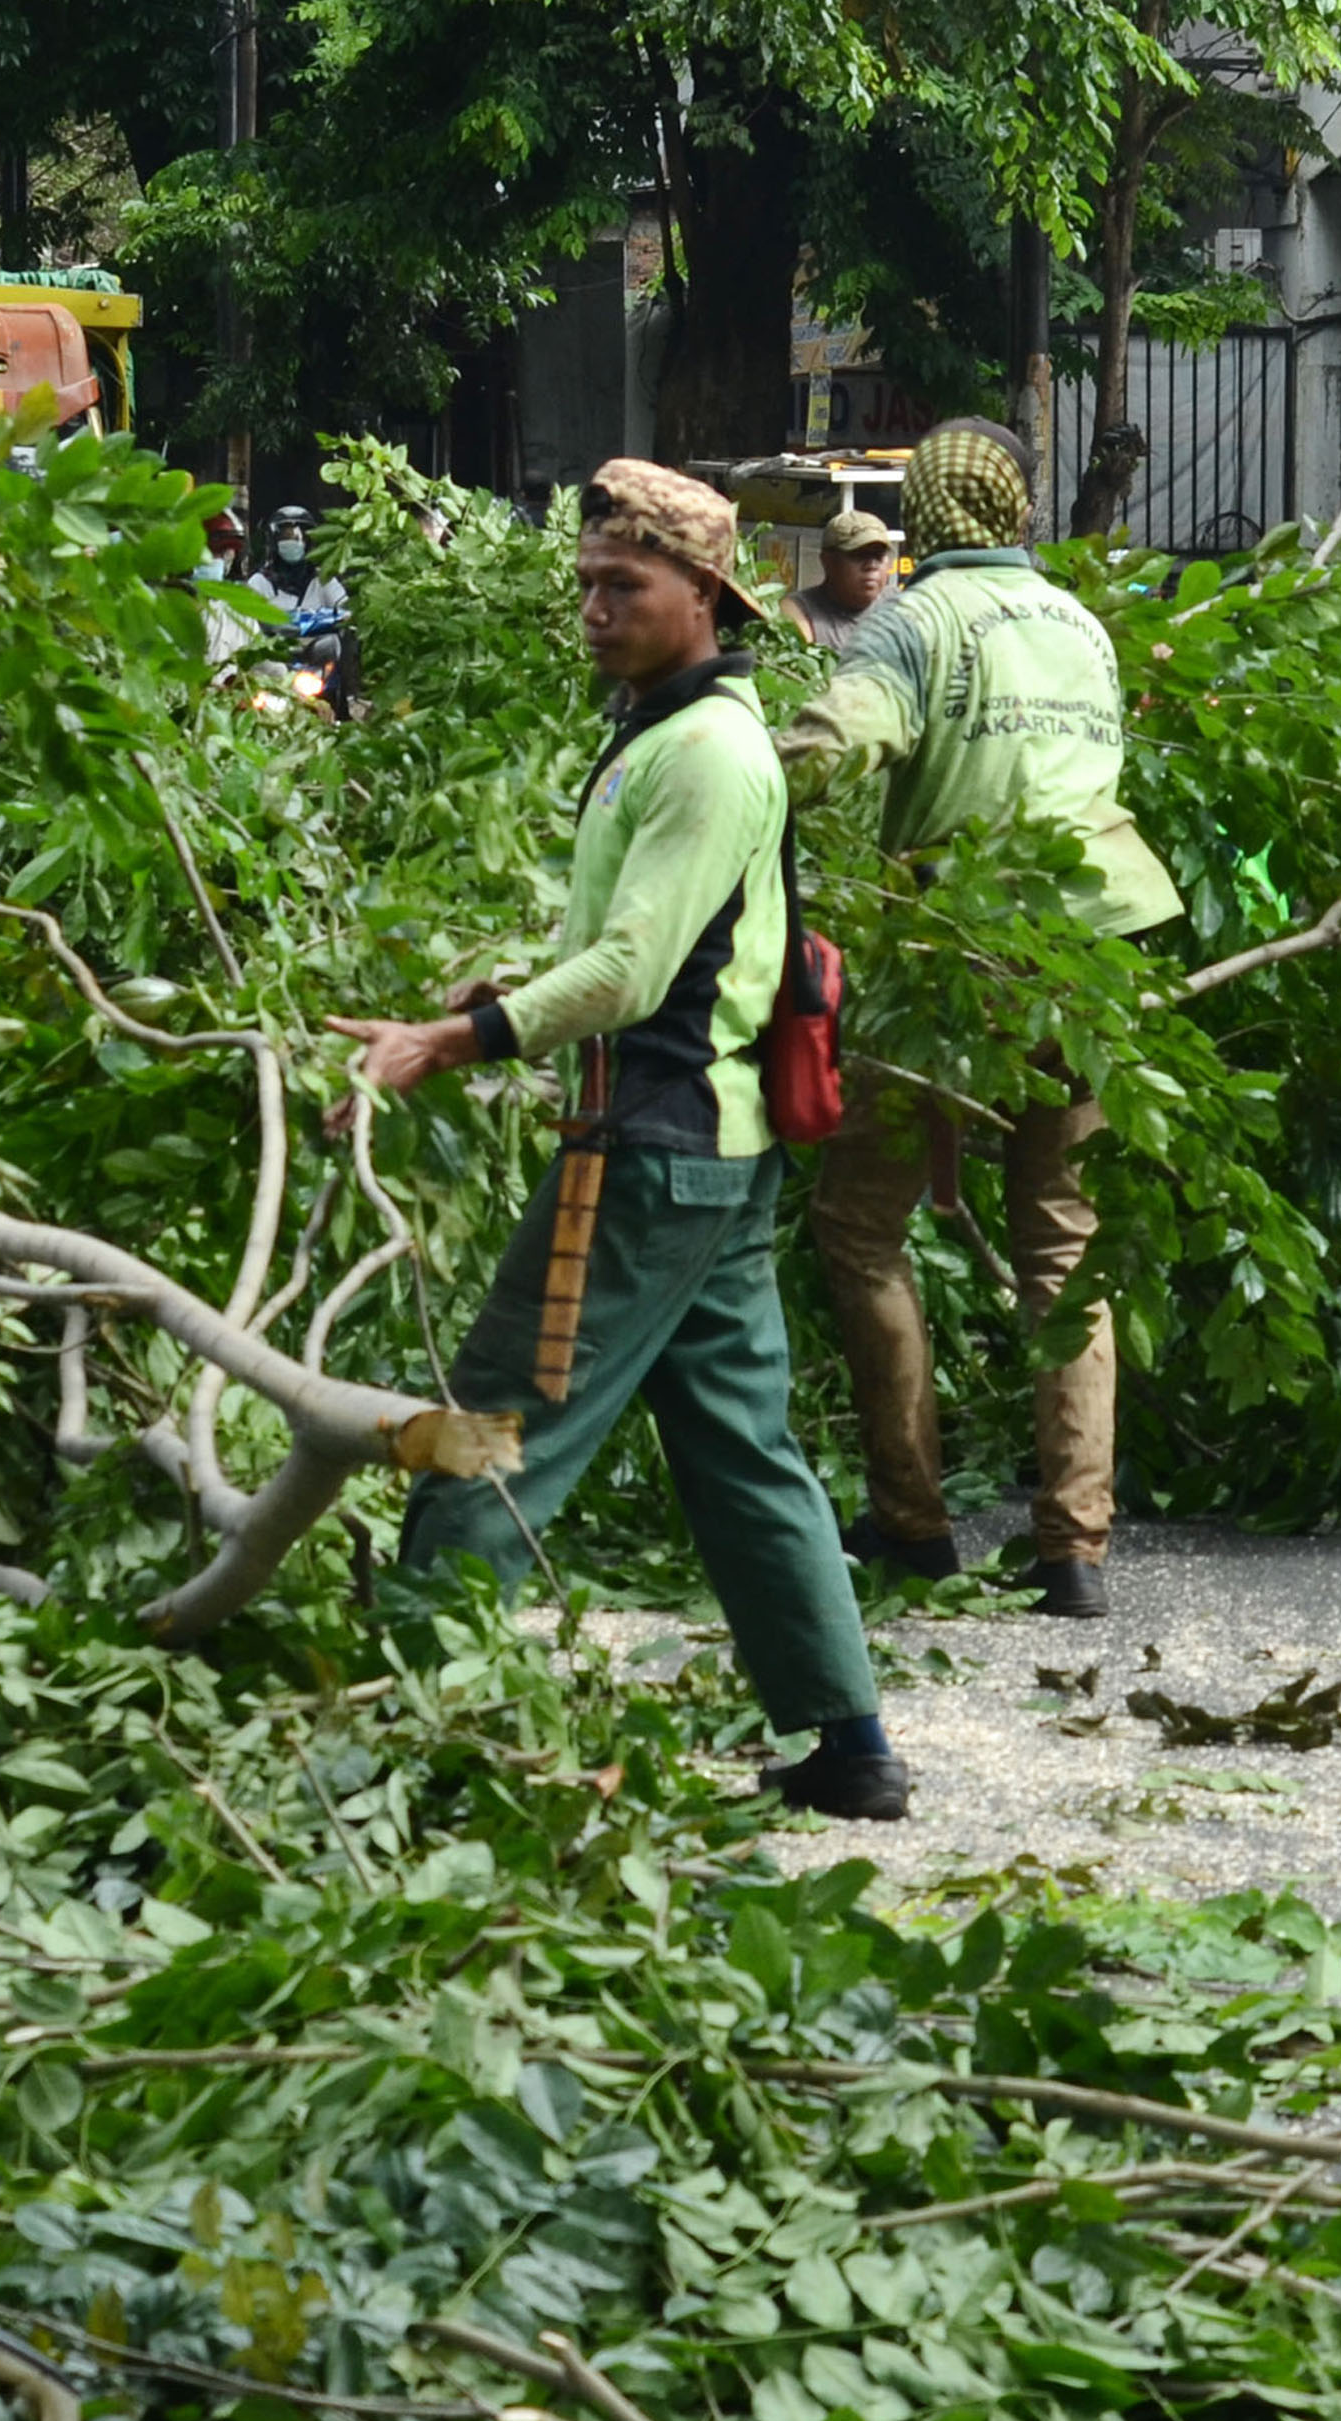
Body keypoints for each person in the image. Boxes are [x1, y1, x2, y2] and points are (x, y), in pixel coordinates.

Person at [325, 458, 914, 1823]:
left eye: (623, 585)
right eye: (585, 582)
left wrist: (453, 1044)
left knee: (494, 1418)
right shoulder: (666, 728)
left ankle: (407, 1730)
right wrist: (465, 1012)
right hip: (709, 1149)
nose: (593, 607)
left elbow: (638, 969)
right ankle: (850, 1740)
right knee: (741, 1444)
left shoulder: (706, 752)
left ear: (704, 592)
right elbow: (639, 950)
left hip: (647, 1153)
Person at [782, 417, 1180, 1621]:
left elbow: (844, 743)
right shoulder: (1080, 625)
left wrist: (730, 766)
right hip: (1092, 954)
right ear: (1012, 511)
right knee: (1063, 1241)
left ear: (929, 522)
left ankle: (912, 1522)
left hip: (953, 956)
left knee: (860, 1224)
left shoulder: (912, 620)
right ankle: (1075, 1547)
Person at [786, 507, 897, 651]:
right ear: (828, 561)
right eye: (859, 555)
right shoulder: (800, 611)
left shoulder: (898, 604)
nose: (871, 565)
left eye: (878, 556)